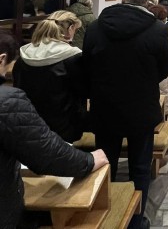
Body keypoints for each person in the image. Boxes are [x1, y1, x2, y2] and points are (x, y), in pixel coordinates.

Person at [82, 0, 168, 229]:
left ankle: (102, 216)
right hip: (141, 106)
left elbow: (87, 64)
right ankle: (135, 219)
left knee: (105, 162)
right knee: (140, 166)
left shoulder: (96, 27)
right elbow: (164, 68)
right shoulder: (157, 29)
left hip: (105, 105)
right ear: (146, 3)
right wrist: (144, 81)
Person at [0, 33, 108, 228]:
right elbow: (47, 154)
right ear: (2, 59)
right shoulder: (7, 102)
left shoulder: (24, 61)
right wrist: (89, 159)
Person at [13, 11, 88, 143]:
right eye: (75, 30)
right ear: (70, 29)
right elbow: (84, 90)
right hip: (63, 128)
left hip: (28, 124)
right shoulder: (73, 58)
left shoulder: (23, 56)